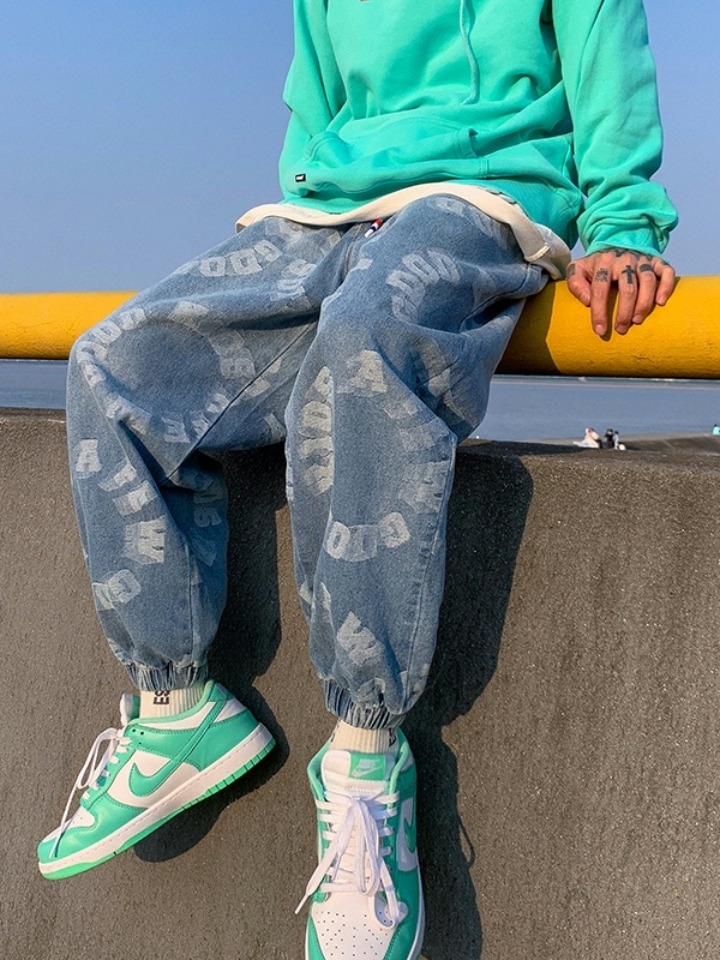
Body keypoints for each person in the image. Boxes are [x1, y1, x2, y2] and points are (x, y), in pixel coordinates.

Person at [37, 3, 677, 959]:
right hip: (327, 214)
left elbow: (606, 54)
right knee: (112, 365)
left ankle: (369, 761)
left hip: (478, 198)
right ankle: (176, 711)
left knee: (365, 342)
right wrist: (306, 200)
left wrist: (624, 220)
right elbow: (315, 101)